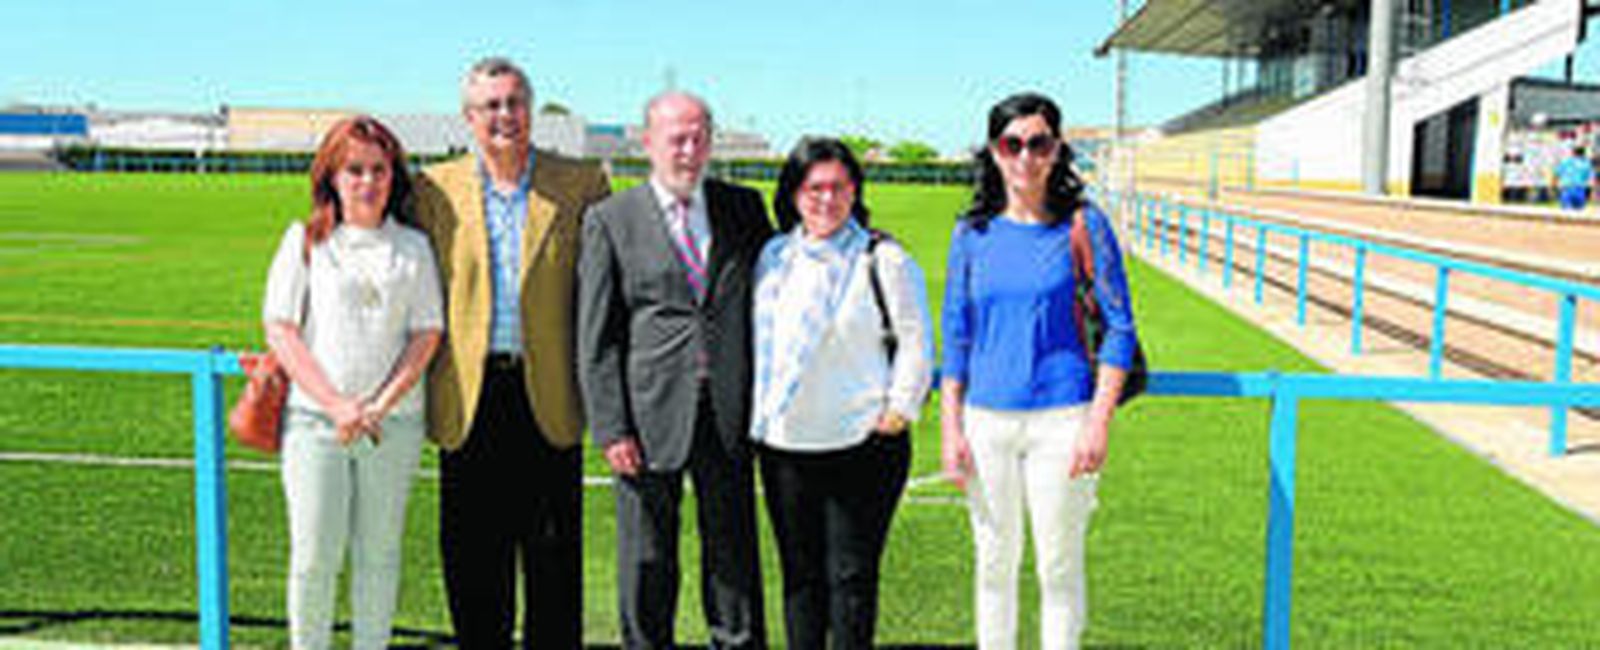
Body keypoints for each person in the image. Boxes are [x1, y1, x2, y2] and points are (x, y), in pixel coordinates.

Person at [410, 57, 610, 648]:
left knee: (553, 563)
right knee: (474, 567)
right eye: (491, 105)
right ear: (469, 117)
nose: (504, 115)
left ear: (532, 109)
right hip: (468, 399)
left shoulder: (580, 182)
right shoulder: (431, 189)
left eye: (515, 102)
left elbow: (607, 288)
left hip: (547, 395)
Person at [939, 92, 1139, 650]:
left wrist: (1098, 422)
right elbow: (956, 335)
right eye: (1013, 144)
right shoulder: (971, 234)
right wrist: (951, 428)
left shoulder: (1084, 225)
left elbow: (1120, 328)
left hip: (1063, 420)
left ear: (1056, 150)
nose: (1025, 157)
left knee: (1058, 565)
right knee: (994, 564)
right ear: (994, 152)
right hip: (986, 422)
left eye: (1039, 143)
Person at [577, 91, 771, 649]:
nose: (689, 150)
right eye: (676, 138)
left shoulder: (744, 208)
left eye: (699, 136)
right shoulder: (611, 220)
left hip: (728, 409)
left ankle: (736, 642)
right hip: (647, 412)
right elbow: (597, 336)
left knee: (732, 547)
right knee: (647, 554)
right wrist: (611, 427)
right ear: (648, 142)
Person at [262, 115, 443, 650]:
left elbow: (426, 332)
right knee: (314, 558)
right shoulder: (305, 241)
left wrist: (378, 407)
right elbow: (281, 329)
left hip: (394, 428)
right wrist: (338, 405)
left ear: (394, 176)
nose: (368, 182)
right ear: (332, 177)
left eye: (379, 170)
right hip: (315, 427)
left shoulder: (414, 247)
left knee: (379, 557)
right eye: (355, 170)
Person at [750, 137, 934, 650]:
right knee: (800, 579)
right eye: (814, 188)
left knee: (851, 580)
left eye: (838, 187)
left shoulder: (883, 257)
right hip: (786, 445)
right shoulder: (773, 256)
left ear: (855, 191)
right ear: (793, 194)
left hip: (861, 445)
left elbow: (917, 341)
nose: (826, 199)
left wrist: (897, 412)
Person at [1552, 144, 1595, 210]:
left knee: (1566, 215)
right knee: (1579, 216)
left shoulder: (1566, 161)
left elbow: (1556, 174)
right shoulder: (1587, 164)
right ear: (1583, 153)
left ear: (1573, 152)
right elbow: (1591, 179)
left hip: (1567, 190)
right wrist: (1590, 192)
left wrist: (1554, 187)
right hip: (1580, 190)